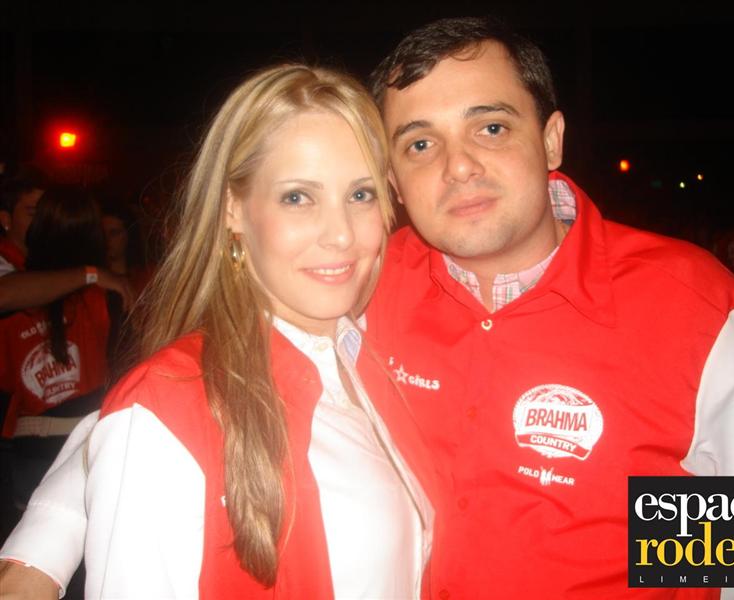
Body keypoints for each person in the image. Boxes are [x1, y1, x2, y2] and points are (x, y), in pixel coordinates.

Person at [3, 16, 734, 600]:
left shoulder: (693, 303)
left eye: (491, 126)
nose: (458, 166)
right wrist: (42, 545)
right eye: (419, 143)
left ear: (552, 139)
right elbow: (170, 409)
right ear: (394, 176)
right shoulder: (368, 279)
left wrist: (616, 547)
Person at [1, 65, 435, 599]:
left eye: (361, 194)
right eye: (298, 197)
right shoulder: (166, 409)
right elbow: (151, 418)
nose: (341, 233)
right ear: (233, 208)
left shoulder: (375, 355)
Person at [1, 186, 113, 510]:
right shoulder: (102, 292)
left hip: (47, 448)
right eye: (30, 211)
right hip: (70, 446)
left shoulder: (104, 292)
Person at [0, 169, 134, 314]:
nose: (44, 219)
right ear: (6, 220)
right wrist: (91, 275)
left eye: (48, 211)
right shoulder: (4, 257)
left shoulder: (50, 267)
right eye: (33, 213)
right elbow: (3, 294)